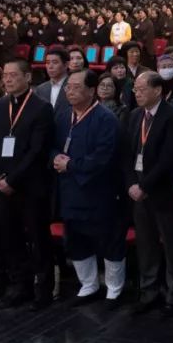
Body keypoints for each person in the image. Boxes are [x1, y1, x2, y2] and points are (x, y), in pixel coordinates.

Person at [52, 70, 126, 309]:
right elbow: (52, 146)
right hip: (70, 189)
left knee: (108, 240)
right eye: (68, 87)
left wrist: (71, 165)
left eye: (75, 87)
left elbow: (103, 157)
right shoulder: (63, 116)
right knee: (75, 238)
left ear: (91, 90)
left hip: (98, 190)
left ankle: (114, 289)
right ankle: (88, 284)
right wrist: (56, 158)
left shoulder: (106, 119)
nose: (69, 91)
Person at [121, 71, 173, 316]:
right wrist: (131, 183)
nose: (136, 93)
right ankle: (148, 292)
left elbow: (168, 158)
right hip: (137, 191)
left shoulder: (172, 116)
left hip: (160, 191)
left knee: (171, 244)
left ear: (157, 90)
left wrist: (145, 186)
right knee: (146, 244)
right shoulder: (134, 115)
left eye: (141, 89)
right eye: (135, 89)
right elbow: (127, 154)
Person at [0, 59, 56, 309]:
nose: (7, 80)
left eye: (13, 75)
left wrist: (13, 179)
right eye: (5, 76)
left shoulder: (41, 108)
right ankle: (20, 285)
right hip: (3, 184)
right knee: (10, 236)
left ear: (27, 77)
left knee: (38, 237)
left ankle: (43, 288)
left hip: (30, 184)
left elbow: (37, 150)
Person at [35, 48, 70, 118]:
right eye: (47, 63)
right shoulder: (40, 89)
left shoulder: (73, 86)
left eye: (55, 62)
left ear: (66, 65)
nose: (50, 67)